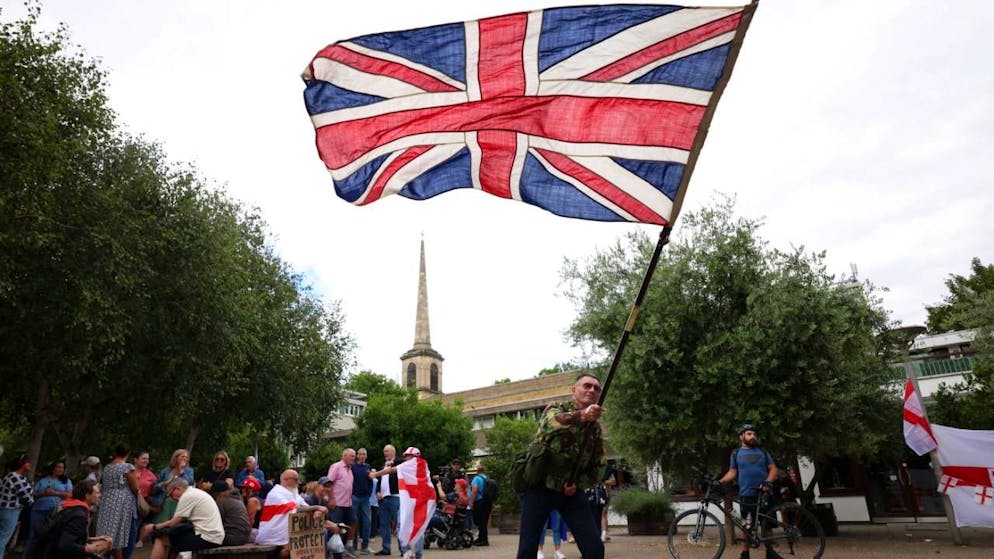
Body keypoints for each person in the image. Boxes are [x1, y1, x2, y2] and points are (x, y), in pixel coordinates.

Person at [514, 373, 606, 559]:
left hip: (570, 491)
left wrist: (578, 484)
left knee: (595, 549)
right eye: (586, 386)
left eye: (596, 388)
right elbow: (550, 423)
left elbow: (598, 464)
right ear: (574, 390)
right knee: (527, 549)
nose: (592, 390)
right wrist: (582, 416)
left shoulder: (595, 428)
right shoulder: (556, 408)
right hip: (539, 487)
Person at [718, 424, 781, 559]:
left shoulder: (763, 452)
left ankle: (770, 553)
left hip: (764, 494)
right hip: (746, 495)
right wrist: (720, 482)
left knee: (767, 526)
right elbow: (732, 472)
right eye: (749, 434)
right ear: (741, 436)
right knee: (745, 526)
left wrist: (768, 482)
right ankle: (745, 554)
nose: (753, 437)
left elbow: (773, 469)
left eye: (754, 434)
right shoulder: (736, 453)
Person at [256, 469, 332, 559]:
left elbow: (305, 505)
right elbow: (293, 508)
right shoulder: (275, 493)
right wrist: (316, 508)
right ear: (285, 480)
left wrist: (317, 512)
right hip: (273, 532)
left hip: (290, 531)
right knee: (290, 548)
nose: (298, 482)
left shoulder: (294, 494)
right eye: (295, 479)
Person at [27, 479, 112, 559]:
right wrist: (89, 548)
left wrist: (95, 539)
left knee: (107, 540)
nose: (99, 495)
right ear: (87, 496)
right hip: (54, 554)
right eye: (97, 493)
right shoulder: (79, 515)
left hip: (44, 551)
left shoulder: (69, 505)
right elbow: (65, 545)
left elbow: (66, 534)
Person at [140, 477, 223, 559]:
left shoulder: (187, 496)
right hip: (212, 536)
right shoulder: (195, 492)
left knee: (161, 539)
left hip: (207, 537)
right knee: (173, 536)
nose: (171, 498)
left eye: (170, 494)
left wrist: (153, 527)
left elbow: (173, 522)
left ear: (177, 489)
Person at [96, 443, 141, 559]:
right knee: (118, 535)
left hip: (106, 500)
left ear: (115, 453)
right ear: (128, 454)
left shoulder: (107, 467)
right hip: (121, 501)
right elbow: (135, 487)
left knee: (106, 531)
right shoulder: (127, 467)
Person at [23, 459, 72, 558]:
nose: (61, 469)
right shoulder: (43, 480)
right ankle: (26, 555)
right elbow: (33, 493)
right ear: (53, 469)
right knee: (33, 533)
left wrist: (55, 493)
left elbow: (70, 495)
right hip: (38, 509)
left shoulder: (66, 481)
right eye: (58, 467)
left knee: (51, 535)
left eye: (62, 468)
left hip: (56, 510)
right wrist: (43, 493)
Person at [0, 454, 33, 559]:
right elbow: (28, 496)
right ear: (21, 464)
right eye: (27, 461)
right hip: (10, 511)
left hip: (6, 510)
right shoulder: (16, 477)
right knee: (3, 538)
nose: (30, 464)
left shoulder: (11, 476)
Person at [151, 449, 195, 526]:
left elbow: (189, 483)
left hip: (179, 502)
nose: (185, 459)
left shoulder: (189, 471)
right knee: (161, 523)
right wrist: (163, 484)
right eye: (182, 457)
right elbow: (155, 487)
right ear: (176, 458)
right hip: (163, 501)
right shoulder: (166, 471)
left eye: (186, 457)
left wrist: (181, 471)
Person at [370, 445, 399, 556]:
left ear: (393, 452)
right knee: (383, 524)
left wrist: (392, 464)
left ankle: (404, 549)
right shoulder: (383, 465)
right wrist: (377, 491)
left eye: (386, 451)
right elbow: (379, 481)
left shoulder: (399, 463)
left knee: (399, 523)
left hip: (395, 497)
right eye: (384, 451)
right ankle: (386, 548)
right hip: (383, 499)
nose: (385, 453)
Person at [209, 481, 250, 546]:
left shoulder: (222, 501)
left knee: (204, 537)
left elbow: (216, 522)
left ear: (217, 493)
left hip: (232, 537)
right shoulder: (238, 499)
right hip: (245, 537)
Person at [350, 448, 373, 555]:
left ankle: (365, 546)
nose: (362, 456)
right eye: (360, 454)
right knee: (354, 521)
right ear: (357, 456)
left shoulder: (368, 467)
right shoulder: (353, 467)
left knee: (367, 522)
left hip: (365, 498)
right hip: (354, 497)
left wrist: (368, 494)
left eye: (364, 454)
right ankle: (353, 546)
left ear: (366, 456)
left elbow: (371, 482)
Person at [467, 464, 492, 546]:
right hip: (488, 502)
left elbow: (474, 491)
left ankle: (484, 540)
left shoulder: (476, 478)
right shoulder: (487, 478)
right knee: (484, 521)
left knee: (480, 521)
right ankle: (481, 538)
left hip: (480, 502)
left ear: (477, 471)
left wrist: (471, 502)